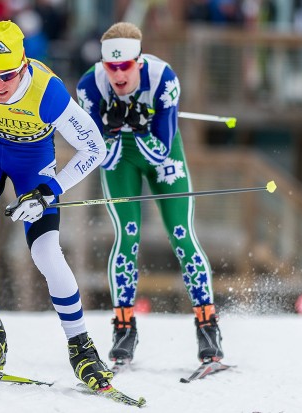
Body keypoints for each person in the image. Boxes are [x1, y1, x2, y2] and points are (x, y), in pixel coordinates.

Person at [0, 20, 112, 391]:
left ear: (24, 67)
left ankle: (81, 347)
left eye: (8, 76)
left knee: (46, 252)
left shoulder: (48, 93)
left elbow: (95, 148)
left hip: (31, 157)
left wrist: (50, 190)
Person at [76, 22, 225, 367]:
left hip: (162, 153)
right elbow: (96, 153)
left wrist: (137, 125)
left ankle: (207, 326)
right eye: (111, 67)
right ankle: (124, 328)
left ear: (138, 63)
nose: (118, 76)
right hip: (121, 157)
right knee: (127, 237)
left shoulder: (163, 79)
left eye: (125, 66)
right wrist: (115, 131)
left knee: (181, 234)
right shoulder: (90, 85)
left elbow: (161, 148)